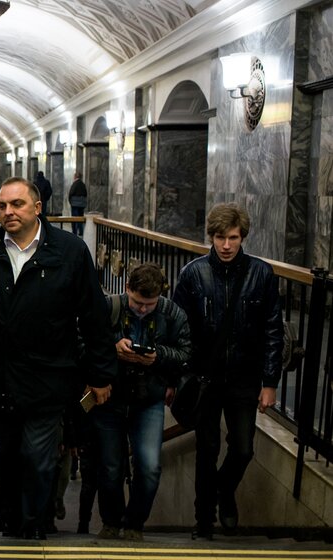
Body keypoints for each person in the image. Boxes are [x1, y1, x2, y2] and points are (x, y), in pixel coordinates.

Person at [0, 177, 117, 539]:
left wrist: (100, 373)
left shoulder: (69, 251)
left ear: (38, 207)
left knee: (39, 457)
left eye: (17, 204)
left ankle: (33, 525)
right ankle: (14, 524)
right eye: (2, 205)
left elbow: (93, 317)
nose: (8, 212)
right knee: (9, 456)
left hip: (49, 375)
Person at [171, 203, 282, 541]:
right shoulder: (193, 274)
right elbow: (178, 330)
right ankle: (203, 522)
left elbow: (273, 330)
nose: (226, 245)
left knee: (243, 448)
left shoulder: (261, 274)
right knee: (206, 450)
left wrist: (270, 382)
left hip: (244, 377)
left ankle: (223, 489)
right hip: (205, 377)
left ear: (242, 237)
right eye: (220, 237)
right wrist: (177, 377)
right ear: (212, 237)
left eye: (232, 238)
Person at [92, 263, 191, 541]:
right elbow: (83, 342)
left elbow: (185, 354)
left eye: (150, 304)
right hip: (110, 398)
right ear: (127, 289)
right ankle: (111, 522)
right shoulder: (108, 307)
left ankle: (135, 523)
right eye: (137, 303)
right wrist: (113, 348)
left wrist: (157, 356)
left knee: (149, 467)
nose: (143, 309)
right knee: (110, 466)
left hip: (149, 399)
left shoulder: (172, 314)